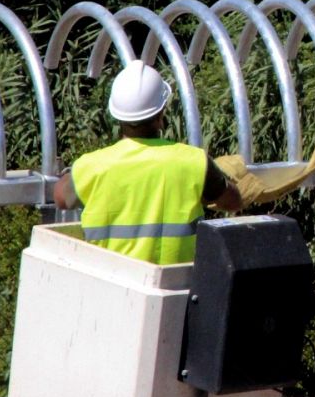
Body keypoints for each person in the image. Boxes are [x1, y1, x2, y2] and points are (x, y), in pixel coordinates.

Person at [52, 60, 242, 264]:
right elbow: (233, 201)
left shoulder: (91, 166)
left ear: (117, 116)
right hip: (176, 286)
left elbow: (61, 198)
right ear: (160, 115)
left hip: (109, 282)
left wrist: (75, 174)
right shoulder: (194, 161)